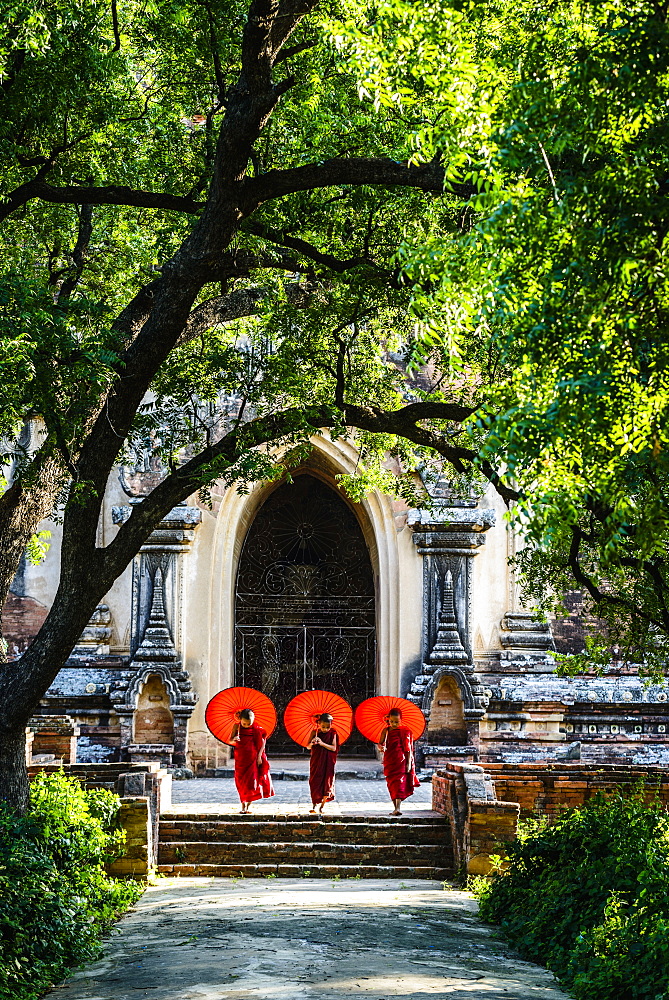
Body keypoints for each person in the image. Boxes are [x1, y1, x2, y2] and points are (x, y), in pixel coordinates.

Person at [228, 708, 274, 813]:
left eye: (249, 724)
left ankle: (248, 806)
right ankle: (242, 805)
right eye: (244, 723)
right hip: (240, 757)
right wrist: (234, 739)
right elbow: (230, 740)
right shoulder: (237, 726)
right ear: (240, 719)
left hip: (252, 758)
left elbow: (262, 744)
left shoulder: (256, 729)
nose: (246, 725)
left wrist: (259, 757)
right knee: (241, 782)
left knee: (251, 782)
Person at [377, 708, 420, 816]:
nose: (394, 724)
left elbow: (408, 749)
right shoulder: (385, 731)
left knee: (399, 783)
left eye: (396, 721)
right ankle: (395, 807)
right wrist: (381, 748)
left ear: (401, 720)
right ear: (388, 720)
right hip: (389, 760)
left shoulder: (405, 731)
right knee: (391, 784)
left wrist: (409, 764)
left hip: (401, 761)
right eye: (392, 721)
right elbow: (380, 743)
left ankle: (398, 808)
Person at [307, 713, 339, 814]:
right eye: (323, 727)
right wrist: (312, 743)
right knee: (315, 781)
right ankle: (314, 805)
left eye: (328, 727)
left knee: (327, 782)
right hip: (316, 760)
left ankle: (322, 806)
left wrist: (322, 743)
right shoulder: (314, 732)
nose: (325, 729)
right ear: (319, 723)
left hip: (328, 760)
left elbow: (333, 748)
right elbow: (308, 746)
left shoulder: (333, 733)